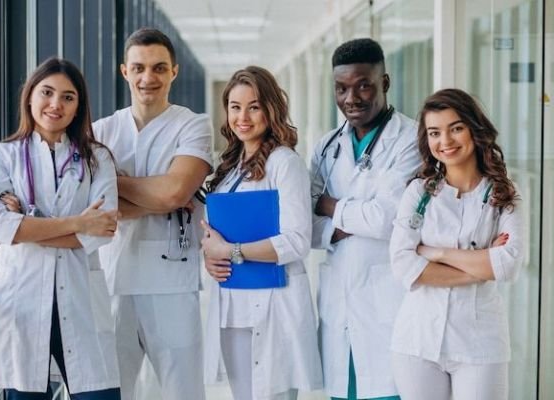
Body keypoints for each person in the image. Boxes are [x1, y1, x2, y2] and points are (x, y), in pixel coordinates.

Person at [0, 57, 120, 399]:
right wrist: (78, 222)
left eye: (68, 97)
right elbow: (2, 229)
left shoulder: (97, 159)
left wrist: (30, 224)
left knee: (99, 393)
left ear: (78, 107)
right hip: (22, 303)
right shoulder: (2, 156)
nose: (56, 104)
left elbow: (101, 230)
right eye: (47, 92)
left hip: (81, 299)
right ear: (30, 96)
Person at [92, 28, 212, 400]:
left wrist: (114, 180)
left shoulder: (192, 124)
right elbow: (95, 210)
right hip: (112, 281)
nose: (149, 78)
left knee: (184, 392)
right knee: (110, 391)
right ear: (124, 71)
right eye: (139, 68)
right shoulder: (100, 131)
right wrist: (158, 194)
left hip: (172, 283)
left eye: (159, 68)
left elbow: (176, 191)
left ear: (174, 71)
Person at [389, 88, 524, 399]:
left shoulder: (504, 194)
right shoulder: (419, 192)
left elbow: (509, 263)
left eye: (456, 128)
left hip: (480, 343)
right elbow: (403, 265)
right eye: (435, 132)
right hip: (417, 342)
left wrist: (435, 253)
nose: (445, 141)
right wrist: (482, 264)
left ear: (475, 131)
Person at [200, 66, 323, 400]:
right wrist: (211, 256)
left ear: (271, 109)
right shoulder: (228, 166)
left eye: (253, 106)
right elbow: (216, 235)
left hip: (275, 302)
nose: (243, 117)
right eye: (235, 107)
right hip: (233, 304)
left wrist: (231, 251)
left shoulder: (285, 163)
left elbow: (297, 240)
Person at [310, 38, 420, 400]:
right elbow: (304, 225)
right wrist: (349, 219)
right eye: (341, 88)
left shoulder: (411, 141)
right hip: (339, 308)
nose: (351, 98)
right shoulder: (327, 146)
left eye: (363, 85)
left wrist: (328, 206)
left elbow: (384, 221)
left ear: (384, 83)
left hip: (386, 303)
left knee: (389, 390)